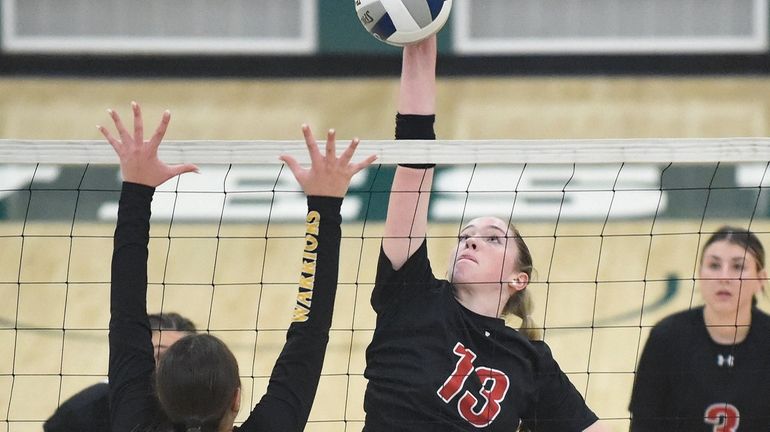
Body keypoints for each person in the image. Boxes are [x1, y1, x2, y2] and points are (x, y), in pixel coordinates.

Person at [362, 36, 606, 432]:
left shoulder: (528, 359)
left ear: (518, 278)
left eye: (493, 238)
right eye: (464, 236)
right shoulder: (411, 293)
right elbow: (414, 161)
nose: (470, 240)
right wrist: (420, 41)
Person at [99, 101, 376, 432]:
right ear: (236, 399)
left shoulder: (132, 423)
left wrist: (136, 189)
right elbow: (309, 334)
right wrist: (324, 206)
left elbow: (310, 335)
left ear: (157, 390)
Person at [629, 226, 770, 430]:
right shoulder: (667, 338)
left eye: (738, 266)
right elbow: (644, 424)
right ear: (700, 274)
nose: (724, 277)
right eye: (714, 265)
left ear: (760, 279)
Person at [44, 313, 196, 432]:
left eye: (181, 358)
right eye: (159, 356)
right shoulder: (84, 411)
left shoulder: (204, 408)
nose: (170, 366)